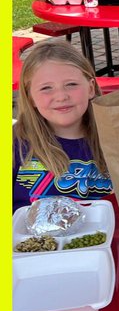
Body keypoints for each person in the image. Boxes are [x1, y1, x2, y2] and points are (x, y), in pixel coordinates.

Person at [14, 41, 113, 210]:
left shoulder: (117, 137)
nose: (61, 96)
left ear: (90, 88)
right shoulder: (14, 144)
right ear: (30, 97)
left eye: (71, 84)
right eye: (46, 88)